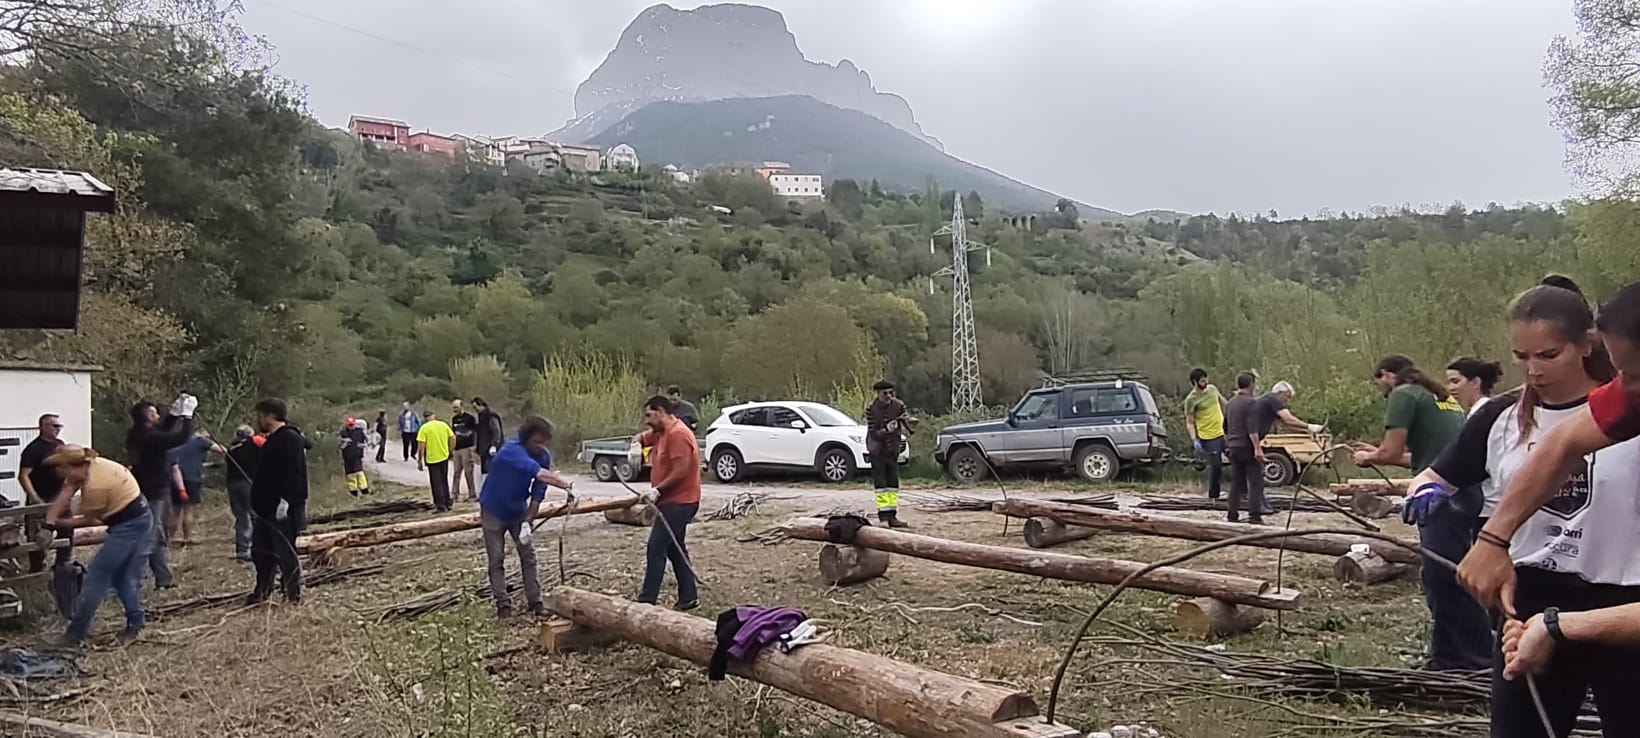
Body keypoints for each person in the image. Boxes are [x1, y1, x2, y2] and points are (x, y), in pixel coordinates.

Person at [1457, 280, 1640, 737]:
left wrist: (1557, 629)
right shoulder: (1631, 396)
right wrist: (1493, 540)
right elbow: (1563, 443)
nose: (1628, 391)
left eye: (1636, 375)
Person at [1353, 354, 1480, 671]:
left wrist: (1369, 458)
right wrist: (1379, 455)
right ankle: (1446, 657)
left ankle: (1476, 661)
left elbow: (1392, 451)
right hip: (1465, 490)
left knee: (1445, 577)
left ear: (1386, 375)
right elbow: (1424, 458)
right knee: (1444, 574)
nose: (1380, 388)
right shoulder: (1440, 397)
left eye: (1379, 382)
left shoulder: (1403, 394)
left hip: (1441, 496)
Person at [43, 446, 153, 646]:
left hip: (130, 524)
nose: (58, 472)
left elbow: (89, 520)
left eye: (60, 467)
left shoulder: (96, 487)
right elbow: (66, 492)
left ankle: (75, 634)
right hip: (134, 518)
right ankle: (136, 623)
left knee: (96, 577)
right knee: (121, 577)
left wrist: (61, 524)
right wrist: (48, 524)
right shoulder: (89, 467)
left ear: (70, 466)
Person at [478, 415, 575, 618]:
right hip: (493, 510)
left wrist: (528, 521)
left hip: (517, 511)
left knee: (528, 556)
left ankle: (535, 601)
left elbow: (539, 491)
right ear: (526, 438)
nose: (540, 447)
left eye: (544, 442)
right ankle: (503, 604)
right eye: (537, 442)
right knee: (496, 559)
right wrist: (566, 485)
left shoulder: (543, 456)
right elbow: (538, 473)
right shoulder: (511, 451)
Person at [632, 396, 702, 610]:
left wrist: (657, 490)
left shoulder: (678, 435)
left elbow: (681, 472)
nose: (646, 421)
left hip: (681, 502)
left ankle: (647, 601)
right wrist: (635, 445)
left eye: (649, 415)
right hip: (670, 501)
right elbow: (644, 437)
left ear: (661, 411)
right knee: (674, 548)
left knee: (656, 548)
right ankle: (689, 596)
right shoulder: (661, 432)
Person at [126, 394, 195, 589]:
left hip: (147, 487)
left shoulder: (140, 433)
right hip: (154, 489)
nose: (158, 416)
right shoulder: (148, 436)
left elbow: (163, 431)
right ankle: (132, 581)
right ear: (148, 417)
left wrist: (174, 415)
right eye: (155, 413)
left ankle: (163, 578)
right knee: (148, 536)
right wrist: (187, 416)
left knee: (155, 534)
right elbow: (178, 438)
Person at [247, 398, 309, 605]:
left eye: (260, 415)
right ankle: (262, 592)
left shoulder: (289, 438)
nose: (259, 419)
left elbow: (294, 472)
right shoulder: (273, 439)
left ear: (269, 415)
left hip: (281, 508)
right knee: (261, 552)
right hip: (265, 508)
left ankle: (293, 595)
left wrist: (286, 500)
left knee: (285, 553)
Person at [18, 413, 68, 572]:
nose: (58, 430)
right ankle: (37, 570)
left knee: (66, 533)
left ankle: (62, 566)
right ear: (43, 426)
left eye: (60, 426)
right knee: (38, 538)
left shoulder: (60, 445)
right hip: (41, 498)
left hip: (60, 498)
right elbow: (23, 475)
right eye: (54, 426)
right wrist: (34, 498)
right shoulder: (33, 449)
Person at [864, 380, 913, 528]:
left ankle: (893, 516)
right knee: (881, 486)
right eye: (885, 393)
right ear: (878, 394)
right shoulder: (871, 410)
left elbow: (908, 422)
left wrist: (907, 423)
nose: (889, 396)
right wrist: (887, 429)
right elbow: (874, 433)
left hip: (892, 450)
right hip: (877, 451)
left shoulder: (898, 406)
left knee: (892, 485)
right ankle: (883, 517)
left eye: (891, 393)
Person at [1221, 372, 1268, 524]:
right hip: (1247, 447)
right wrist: (1257, 448)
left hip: (1233, 447)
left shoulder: (1230, 403)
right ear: (1251, 384)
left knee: (1236, 483)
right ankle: (1254, 515)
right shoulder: (1251, 403)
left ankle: (1232, 515)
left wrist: (1230, 443)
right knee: (1255, 482)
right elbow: (1252, 428)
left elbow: (1225, 427)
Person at [171, 427, 224, 545]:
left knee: (175, 510)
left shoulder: (181, 441)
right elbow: (222, 450)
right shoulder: (201, 440)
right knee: (188, 510)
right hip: (192, 479)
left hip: (176, 478)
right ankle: (187, 538)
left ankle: (170, 538)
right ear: (203, 432)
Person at [1183, 369, 1228, 500]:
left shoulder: (1212, 389)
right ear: (1195, 382)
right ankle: (1214, 496)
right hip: (1208, 437)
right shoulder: (1191, 400)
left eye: (1206, 379)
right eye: (1203, 380)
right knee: (1216, 466)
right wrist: (1194, 439)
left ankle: (1243, 492)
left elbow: (1223, 402)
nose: (1206, 382)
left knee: (1237, 458)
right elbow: (1190, 422)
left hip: (1222, 432)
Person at [224, 426, 263, 562]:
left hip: (232, 483)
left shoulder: (232, 447)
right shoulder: (254, 443)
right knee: (255, 514)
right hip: (248, 482)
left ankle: (242, 549)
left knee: (241, 517)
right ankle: (258, 547)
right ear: (249, 435)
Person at [417, 410, 456, 511]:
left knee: (436, 483)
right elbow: (453, 438)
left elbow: (421, 446)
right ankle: (448, 502)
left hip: (432, 458)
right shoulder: (443, 425)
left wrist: (420, 460)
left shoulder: (424, 428)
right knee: (444, 480)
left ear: (425, 418)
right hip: (444, 456)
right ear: (434, 416)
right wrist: (451, 450)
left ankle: (440, 505)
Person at [449, 400, 479, 502]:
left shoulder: (469, 418)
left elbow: (475, 432)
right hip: (457, 448)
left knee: (468, 472)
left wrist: (475, 445)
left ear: (462, 406)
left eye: (456, 407)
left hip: (467, 447)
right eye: (453, 408)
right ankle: (454, 494)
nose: (455, 410)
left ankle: (472, 494)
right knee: (456, 472)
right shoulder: (454, 419)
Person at [474, 398, 504, 475]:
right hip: (484, 450)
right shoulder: (481, 417)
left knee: (491, 471)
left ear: (481, 405)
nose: (475, 410)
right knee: (485, 472)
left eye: (475, 407)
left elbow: (496, 431)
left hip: (491, 450)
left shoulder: (491, 416)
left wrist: (494, 445)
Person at [342, 418, 371, 497]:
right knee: (350, 474)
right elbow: (339, 444)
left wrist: (363, 445)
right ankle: (353, 491)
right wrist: (344, 443)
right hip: (347, 456)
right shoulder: (343, 433)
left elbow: (367, 441)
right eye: (349, 425)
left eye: (352, 424)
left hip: (357, 455)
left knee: (358, 472)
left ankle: (364, 489)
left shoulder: (359, 432)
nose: (351, 426)